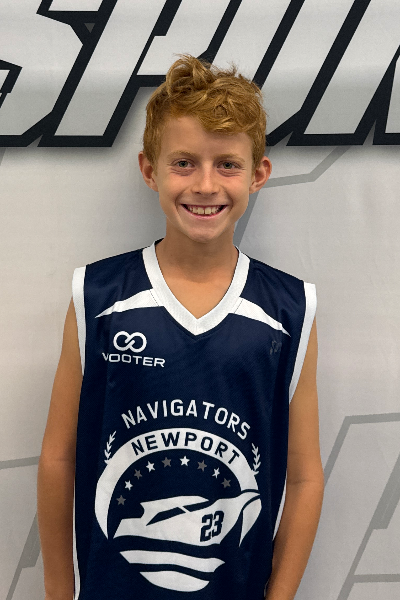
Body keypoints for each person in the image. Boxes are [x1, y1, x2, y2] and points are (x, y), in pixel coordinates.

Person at [37, 55, 324, 600]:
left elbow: (305, 476)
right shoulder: (97, 296)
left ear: (258, 174)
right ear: (150, 171)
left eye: (228, 164)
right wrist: (57, 590)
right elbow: (57, 457)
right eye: (184, 163)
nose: (206, 184)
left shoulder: (290, 309)